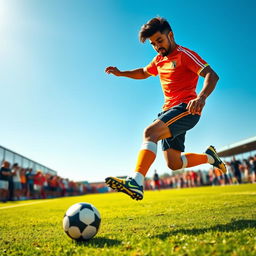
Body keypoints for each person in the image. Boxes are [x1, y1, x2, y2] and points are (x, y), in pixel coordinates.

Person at [105, 17, 226, 200]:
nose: (157, 47)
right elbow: (143, 72)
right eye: (153, 44)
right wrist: (121, 73)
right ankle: (210, 157)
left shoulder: (185, 54)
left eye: (159, 41)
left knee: (150, 133)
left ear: (170, 35)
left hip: (187, 108)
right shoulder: (159, 60)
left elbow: (211, 75)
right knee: (174, 163)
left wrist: (201, 97)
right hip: (169, 111)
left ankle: (135, 181)